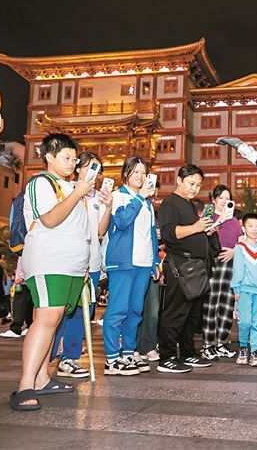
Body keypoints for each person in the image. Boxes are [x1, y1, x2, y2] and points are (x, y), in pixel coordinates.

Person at [10, 133, 94, 411]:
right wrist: (78, 193)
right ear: (49, 157)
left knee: (53, 321)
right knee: (46, 319)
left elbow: (82, 231)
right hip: (50, 261)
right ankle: (25, 385)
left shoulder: (71, 187)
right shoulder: (41, 183)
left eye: (74, 158)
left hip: (71, 265)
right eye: (66, 157)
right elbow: (50, 219)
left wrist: (84, 267)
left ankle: (42, 378)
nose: (72, 163)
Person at [52, 152, 112, 377]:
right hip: (69, 262)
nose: (93, 173)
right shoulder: (67, 191)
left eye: (97, 169)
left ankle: (70, 358)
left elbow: (101, 230)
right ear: (78, 168)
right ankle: (48, 355)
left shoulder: (98, 197)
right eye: (89, 167)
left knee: (82, 312)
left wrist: (108, 207)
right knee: (59, 312)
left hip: (92, 263)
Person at [157, 164, 218, 374]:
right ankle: (167, 356)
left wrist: (203, 231)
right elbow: (168, 233)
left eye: (198, 185)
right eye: (191, 183)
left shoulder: (188, 205)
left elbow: (190, 232)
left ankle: (188, 352)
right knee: (176, 312)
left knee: (192, 314)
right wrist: (196, 227)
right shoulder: (170, 203)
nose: (195, 188)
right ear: (179, 180)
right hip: (180, 265)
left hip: (194, 267)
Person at [102, 156, 158, 376]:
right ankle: (111, 358)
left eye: (143, 172)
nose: (140, 176)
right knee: (118, 310)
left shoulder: (148, 204)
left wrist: (155, 262)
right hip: (123, 262)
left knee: (135, 311)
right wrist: (139, 197)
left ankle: (128, 353)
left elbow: (151, 235)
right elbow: (122, 221)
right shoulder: (118, 196)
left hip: (143, 263)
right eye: (136, 172)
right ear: (126, 173)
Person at [201, 184, 242, 361]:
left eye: (228, 198)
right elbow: (203, 234)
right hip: (214, 263)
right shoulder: (209, 215)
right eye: (221, 197)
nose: (224, 201)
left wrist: (234, 251)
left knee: (227, 305)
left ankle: (222, 343)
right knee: (211, 305)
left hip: (232, 264)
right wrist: (220, 220)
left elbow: (242, 242)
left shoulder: (234, 220)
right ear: (214, 200)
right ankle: (208, 345)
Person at [231, 213, 257, 366]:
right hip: (244, 290)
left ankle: (255, 352)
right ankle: (243, 348)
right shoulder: (240, 247)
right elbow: (237, 269)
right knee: (245, 322)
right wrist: (236, 288)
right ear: (244, 228)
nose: (254, 229)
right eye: (250, 226)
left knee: (256, 323)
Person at [0, 258, 33, 338]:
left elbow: (24, 263)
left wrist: (20, 277)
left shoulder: (24, 251)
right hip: (29, 280)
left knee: (19, 304)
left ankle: (16, 329)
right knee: (29, 305)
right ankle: (30, 326)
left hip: (23, 280)